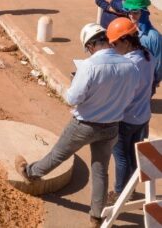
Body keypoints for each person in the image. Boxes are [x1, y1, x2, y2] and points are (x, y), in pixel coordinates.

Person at [15, 23, 140, 227]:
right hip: (111, 127)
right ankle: (96, 215)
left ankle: (30, 173)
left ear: (90, 45)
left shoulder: (89, 66)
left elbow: (72, 98)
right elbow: (130, 95)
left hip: (85, 125)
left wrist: (76, 81)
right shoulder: (131, 66)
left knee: (58, 155)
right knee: (100, 170)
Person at [106, 17, 153, 204]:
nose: (113, 47)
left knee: (121, 157)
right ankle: (130, 191)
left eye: (115, 43)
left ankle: (119, 194)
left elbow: (119, 94)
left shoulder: (128, 65)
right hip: (143, 116)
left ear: (126, 40)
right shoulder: (147, 55)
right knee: (135, 157)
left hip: (126, 119)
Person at [123, 0, 162, 90]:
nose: (131, 15)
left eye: (135, 11)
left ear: (144, 12)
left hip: (144, 84)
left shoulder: (153, 37)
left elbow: (159, 64)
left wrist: (154, 82)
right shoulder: (126, 30)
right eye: (129, 11)